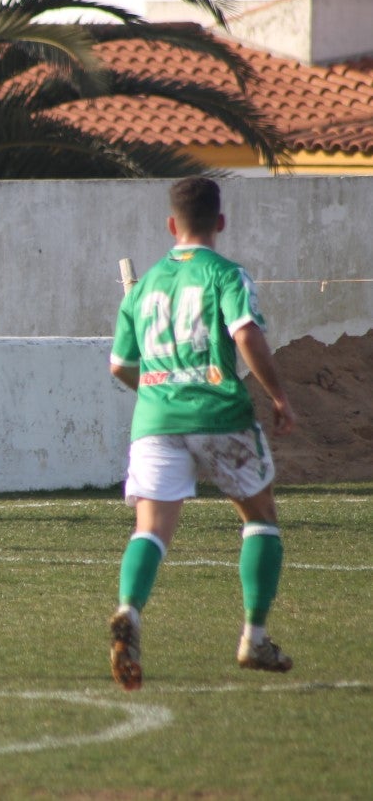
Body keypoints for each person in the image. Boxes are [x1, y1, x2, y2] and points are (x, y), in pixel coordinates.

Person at [107, 176, 296, 690]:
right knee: (260, 518)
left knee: (151, 529)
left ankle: (130, 611)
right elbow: (246, 334)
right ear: (220, 221)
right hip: (218, 413)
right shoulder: (227, 275)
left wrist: (155, 388)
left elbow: (121, 364)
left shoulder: (143, 285)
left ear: (171, 225)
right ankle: (254, 637)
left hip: (156, 420)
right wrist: (278, 395)